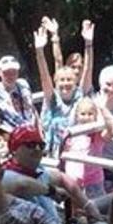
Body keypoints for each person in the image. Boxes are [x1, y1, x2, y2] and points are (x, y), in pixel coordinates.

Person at [34, 18, 93, 155]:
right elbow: (45, 75)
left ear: (75, 82)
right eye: (62, 80)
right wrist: (39, 51)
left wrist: (89, 43)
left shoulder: (80, 94)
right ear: (56, 81)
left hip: (77, 149)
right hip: (53, 150)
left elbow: (87, 70)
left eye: (69, 80)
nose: (65, 83)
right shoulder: (52, 97)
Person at [60, 97, 113, 200]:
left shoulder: (97, 134)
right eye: (83, 114)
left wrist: (103, 109)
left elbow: (111, 131)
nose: (86, 117)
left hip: (93, 180)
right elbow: (63, 154)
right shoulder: (71, 133)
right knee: (76, 208)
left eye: (90, 114)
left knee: (98, 206)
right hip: (74, 179)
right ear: (77, 116)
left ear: (95, 116)